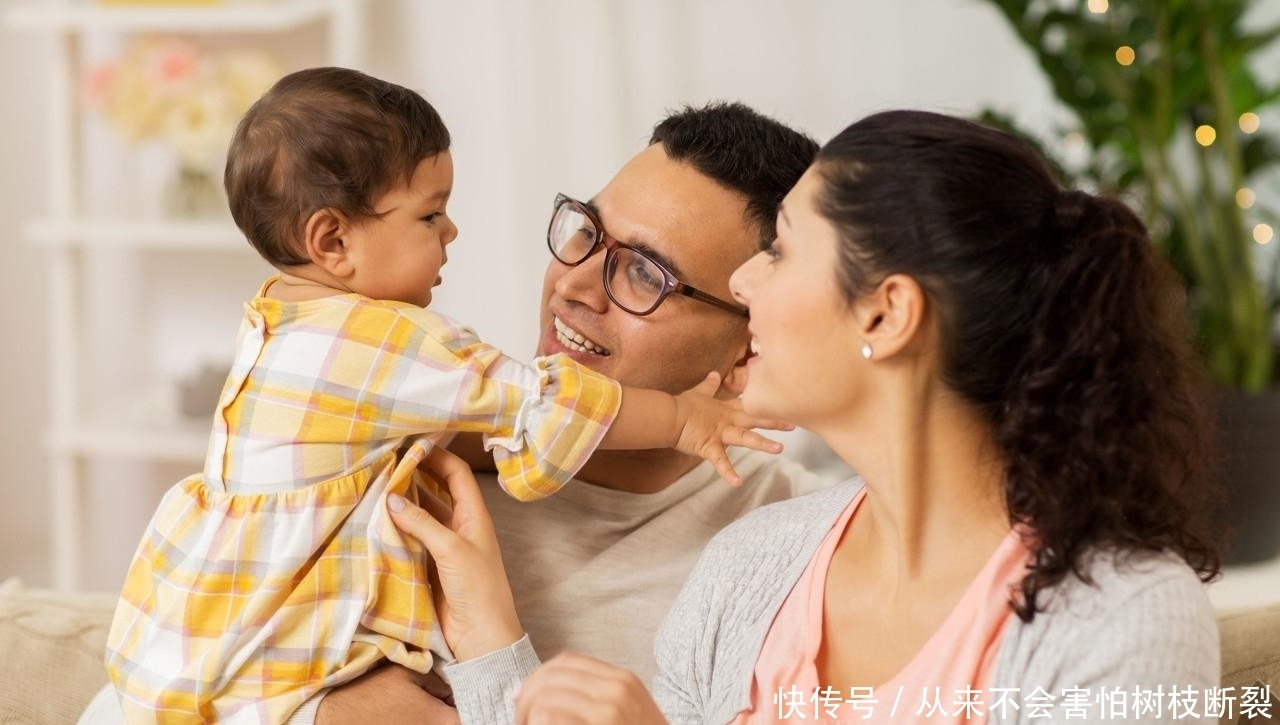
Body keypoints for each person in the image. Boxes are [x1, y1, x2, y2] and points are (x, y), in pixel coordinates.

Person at [390, 110, 1224, 724]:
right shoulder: (752, 569)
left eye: (780, 252)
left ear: (885, 315)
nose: (750, 288)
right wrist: (494, 646)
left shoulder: (1126, 615)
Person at [100, 68, 790, 725]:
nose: (573, 285)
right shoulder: (405, 445)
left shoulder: (785, 555)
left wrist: (495, 647)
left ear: (748, 349)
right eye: (585, 229)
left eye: (643, 272)